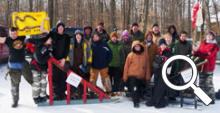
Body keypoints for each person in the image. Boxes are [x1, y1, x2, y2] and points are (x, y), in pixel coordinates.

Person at [0, 27, 33, 108]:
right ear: (9, 33)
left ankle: (40, 95)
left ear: (17, 33)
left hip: (23, 64)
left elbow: (30, 31)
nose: (13, 35)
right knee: (15, 85)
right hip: (13, 65)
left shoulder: (22, 37)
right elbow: (1, 40)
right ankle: (15, 101)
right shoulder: (8, 39)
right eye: (11, 33)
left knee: (32, 81)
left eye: (15, 33)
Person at [46, 21, 70, 100]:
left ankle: (62, 94)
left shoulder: (66, 37)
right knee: (54, 78)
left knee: (63, 77)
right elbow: (45, 30)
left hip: (62, 61)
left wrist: (64, 58)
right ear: (57, 28)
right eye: (59, 27)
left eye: (62, 27)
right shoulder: (53, 35)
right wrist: (45, 20)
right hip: (54, 61)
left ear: (63, 29)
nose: (60, 29)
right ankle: (55, 94)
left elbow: (67, 49)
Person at [193, 31, 219, 104]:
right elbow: (198, 52)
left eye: (211, 35)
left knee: (208, 84)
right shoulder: (202, 43)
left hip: (209, 66)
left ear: (213, 37)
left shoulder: (214, 46)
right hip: (201, 66)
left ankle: (212, 98)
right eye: (208, 35)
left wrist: (202, 54)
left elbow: (210, 55)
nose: (209, 36)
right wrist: (195, 52)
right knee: (201, 82)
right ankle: (202, 98)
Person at [146, 38, 172, 108]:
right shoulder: (158, 52)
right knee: (155, 86)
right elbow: (154, 62)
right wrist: (156, 64)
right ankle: (153, 100)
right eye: (161, 45)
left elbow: (170, 63)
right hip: (157, 72)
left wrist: (163, 61)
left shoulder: (169, 52)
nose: (162, 46)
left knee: (160, 87)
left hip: (164, 73)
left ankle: (159, 100)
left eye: (164, 44)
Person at [123, 40, 150, 108]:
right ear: (133, 47)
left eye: (138, 46)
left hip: (141, 77)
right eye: (135, 46)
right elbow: (126, 67)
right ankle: (136, 102)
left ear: (141, 47)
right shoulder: (130, 55)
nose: (137, 47)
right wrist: (125, 78)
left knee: (139, 90)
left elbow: (147, 67)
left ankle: (138, 98)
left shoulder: (145, 55)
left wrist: (147, 78)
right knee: (135, 89)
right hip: (132, 76)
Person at [66, 30, 92, 98]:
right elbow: (67, 53)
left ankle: (83, 94)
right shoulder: (71, 43)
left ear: (81, 36)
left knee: (83, 80)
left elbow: (89, 54)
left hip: (82, 65)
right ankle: (73, 94)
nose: (78, 36)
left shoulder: (86, 43)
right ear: (75, 36)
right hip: (73, 65)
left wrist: (89, 63)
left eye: (79, 35)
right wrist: (67, 62)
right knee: (73, 80)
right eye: (77, 35)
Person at [27, 33, 52, 104]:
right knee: (37, 82)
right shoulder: (41, 46)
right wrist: (48, 56)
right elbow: (40, 59)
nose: (51, 40)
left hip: (43, 68)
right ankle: (36, 97)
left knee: (43, 82)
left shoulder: (48, 47)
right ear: (46, 39)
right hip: (36, 67)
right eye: (50, 39)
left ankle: (42, 95)